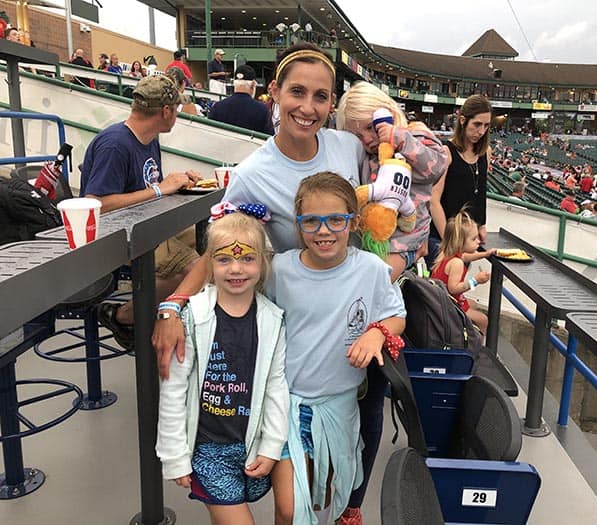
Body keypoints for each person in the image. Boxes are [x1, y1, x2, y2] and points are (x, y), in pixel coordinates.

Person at [150, 42, 367, 525]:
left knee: (325, 475)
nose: (308, 107)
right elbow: (222, 248)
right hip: (289, 329)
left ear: (333, 103)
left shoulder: (349, 148)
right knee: (287, 478)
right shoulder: (252, 175)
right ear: (273, 93)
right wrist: (173, 306)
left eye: (320, 96)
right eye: (296, 92)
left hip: (342, 330)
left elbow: (374, 216)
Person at [268, 171, 406, 525]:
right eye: (311, 221)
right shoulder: (279, 270)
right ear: (298, 225)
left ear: (354, 222)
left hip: (339, 407)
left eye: (335, 220)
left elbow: (396, 316)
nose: (324, 231)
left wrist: (376, 332)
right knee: (288, 507)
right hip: (287, 404)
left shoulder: (371, 270)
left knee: (321, 496)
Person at [156, 212, 289, 525]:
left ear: (262, 263)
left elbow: (275, 386)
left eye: (247, 259)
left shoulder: (272, 320)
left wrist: (271, 446)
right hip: (208, 450)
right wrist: (176, 458)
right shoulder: (194, 317)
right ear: (210, 265)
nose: (236, 269)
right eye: (225, 259)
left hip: (251, 443)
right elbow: (174, 390)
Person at [79, 75, 202, 349]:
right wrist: (160, 190)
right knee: (196, 270)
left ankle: (164, 314)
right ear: (166, 111)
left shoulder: (149, 138)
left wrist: (177, 183)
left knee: (216, 243)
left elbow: (147, 187)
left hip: (148, 225)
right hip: (117, 234)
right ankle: (123, 316)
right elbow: (96, 204)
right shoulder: (115, 144)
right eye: (177, 110)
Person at [335, 80, 448, 281]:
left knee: (375, 282)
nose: (367, 138)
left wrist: (399, 138)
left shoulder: (413, 135)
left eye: (371, 127)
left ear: (389, 115)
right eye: (357, 136)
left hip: (406, 240)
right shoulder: (367, 156)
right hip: (374, 238)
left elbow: (437, 165)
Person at [429, 94, 492, 266]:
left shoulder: (486, 152)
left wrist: (481, 225)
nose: (481, 131)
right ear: (463, 121)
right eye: (477, 124)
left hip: (466, 241)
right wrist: (449, 243)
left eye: (486, 126)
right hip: (442, 240)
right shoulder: (446, 152)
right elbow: (434, 201)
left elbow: (481, 193)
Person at [430, 210, 494, 337]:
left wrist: (485, 254)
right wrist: (476, 281)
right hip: (448, 304)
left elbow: (466, 256)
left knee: (474, 304)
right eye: (474, 239)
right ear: (460, 242)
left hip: (441, 299)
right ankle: (476, 349)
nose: (478, 242)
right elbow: (453, 289)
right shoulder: (457, 263)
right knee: (483, 320)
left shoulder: (448, 253)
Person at [209, 65, 274, 134]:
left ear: (234, 84)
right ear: (252, 85)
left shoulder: (218, 107)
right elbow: (268, 137)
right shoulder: (262, 110)